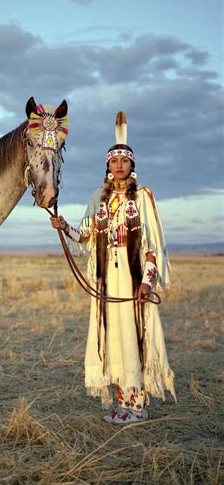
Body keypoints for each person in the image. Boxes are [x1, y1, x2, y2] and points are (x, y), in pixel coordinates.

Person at [51, 111, 176, 425]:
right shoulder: (98, 198)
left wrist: (147, 283)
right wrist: (63, 225)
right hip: (107, 280)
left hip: (132, 280)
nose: (119, 166)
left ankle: (136, 403)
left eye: (124, 161)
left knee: (132, 336)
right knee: (111, 338)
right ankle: (121, 400)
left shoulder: (143, 198)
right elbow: (86, 236)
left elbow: (152, 246)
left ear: (132, 165)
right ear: (107, 165)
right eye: (113, 161)